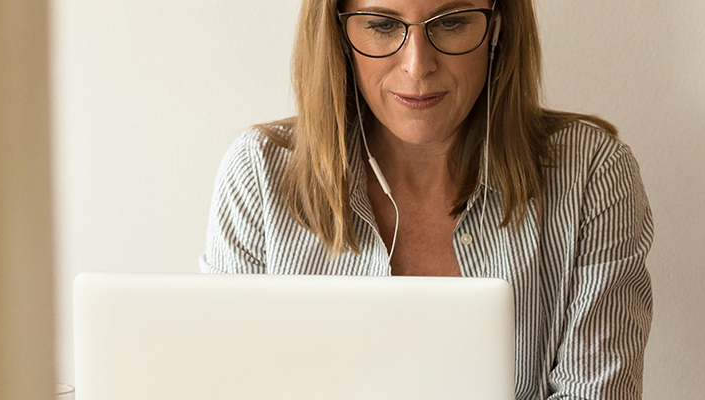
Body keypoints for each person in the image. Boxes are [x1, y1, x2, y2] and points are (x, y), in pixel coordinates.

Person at [199, 0, 653, 398]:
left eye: (452, 22)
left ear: (497, 25)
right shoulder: (260, 174)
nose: (418, 66)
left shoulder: (591, 173)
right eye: (381, 25)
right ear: (338, 33)